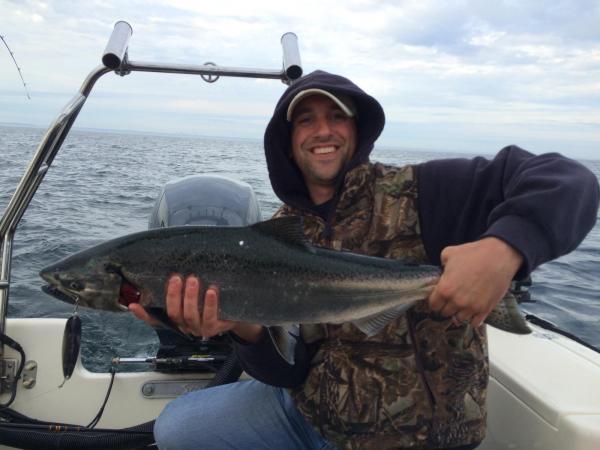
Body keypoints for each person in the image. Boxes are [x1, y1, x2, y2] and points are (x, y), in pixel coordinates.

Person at [130, 70, 599, 450]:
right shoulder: (281, 233)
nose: (323, 130)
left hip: (415, 437)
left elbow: (567, 179)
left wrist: (505, 248)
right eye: (306, 120)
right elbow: (288, 371)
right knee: (177, 427)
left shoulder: (425, 191)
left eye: (337, 116)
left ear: (357, 129)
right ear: (288, 140)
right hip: (312, 415)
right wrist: (242, 327)